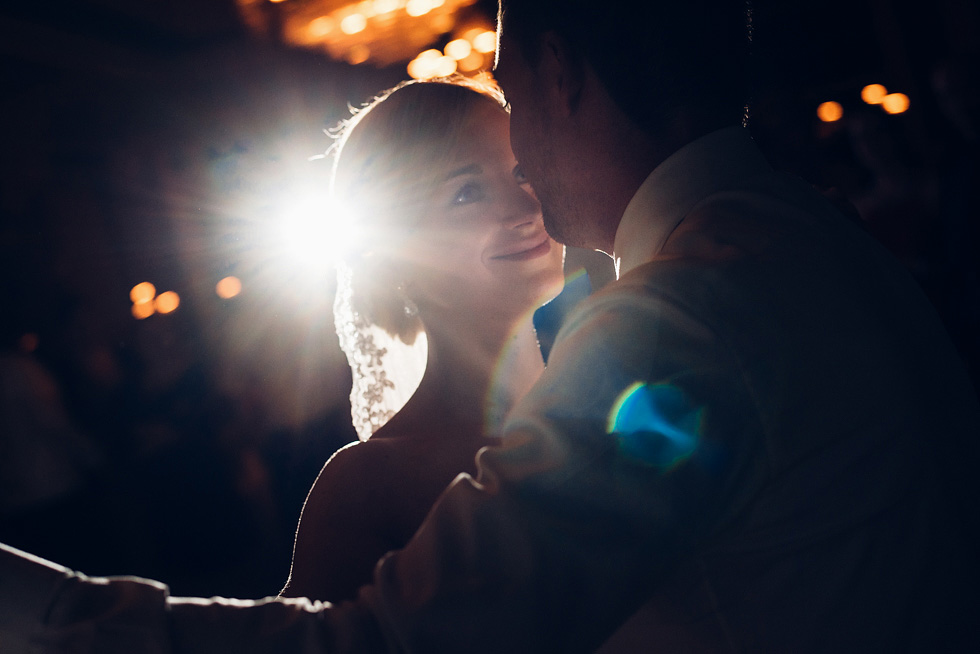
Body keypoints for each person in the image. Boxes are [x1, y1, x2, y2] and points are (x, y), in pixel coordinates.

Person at [3, 1, 979, 652]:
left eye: (509, 105)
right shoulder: (802, 240)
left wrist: (45, 613)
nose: (521, 191)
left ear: (557, 75)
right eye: (466, 190)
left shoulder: (670, 322)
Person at [279, 77, 565, 602]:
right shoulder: (367, 487)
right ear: (394, 251)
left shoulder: (612, 392)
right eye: (466, 192)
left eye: (522, 171)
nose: (524, 210)